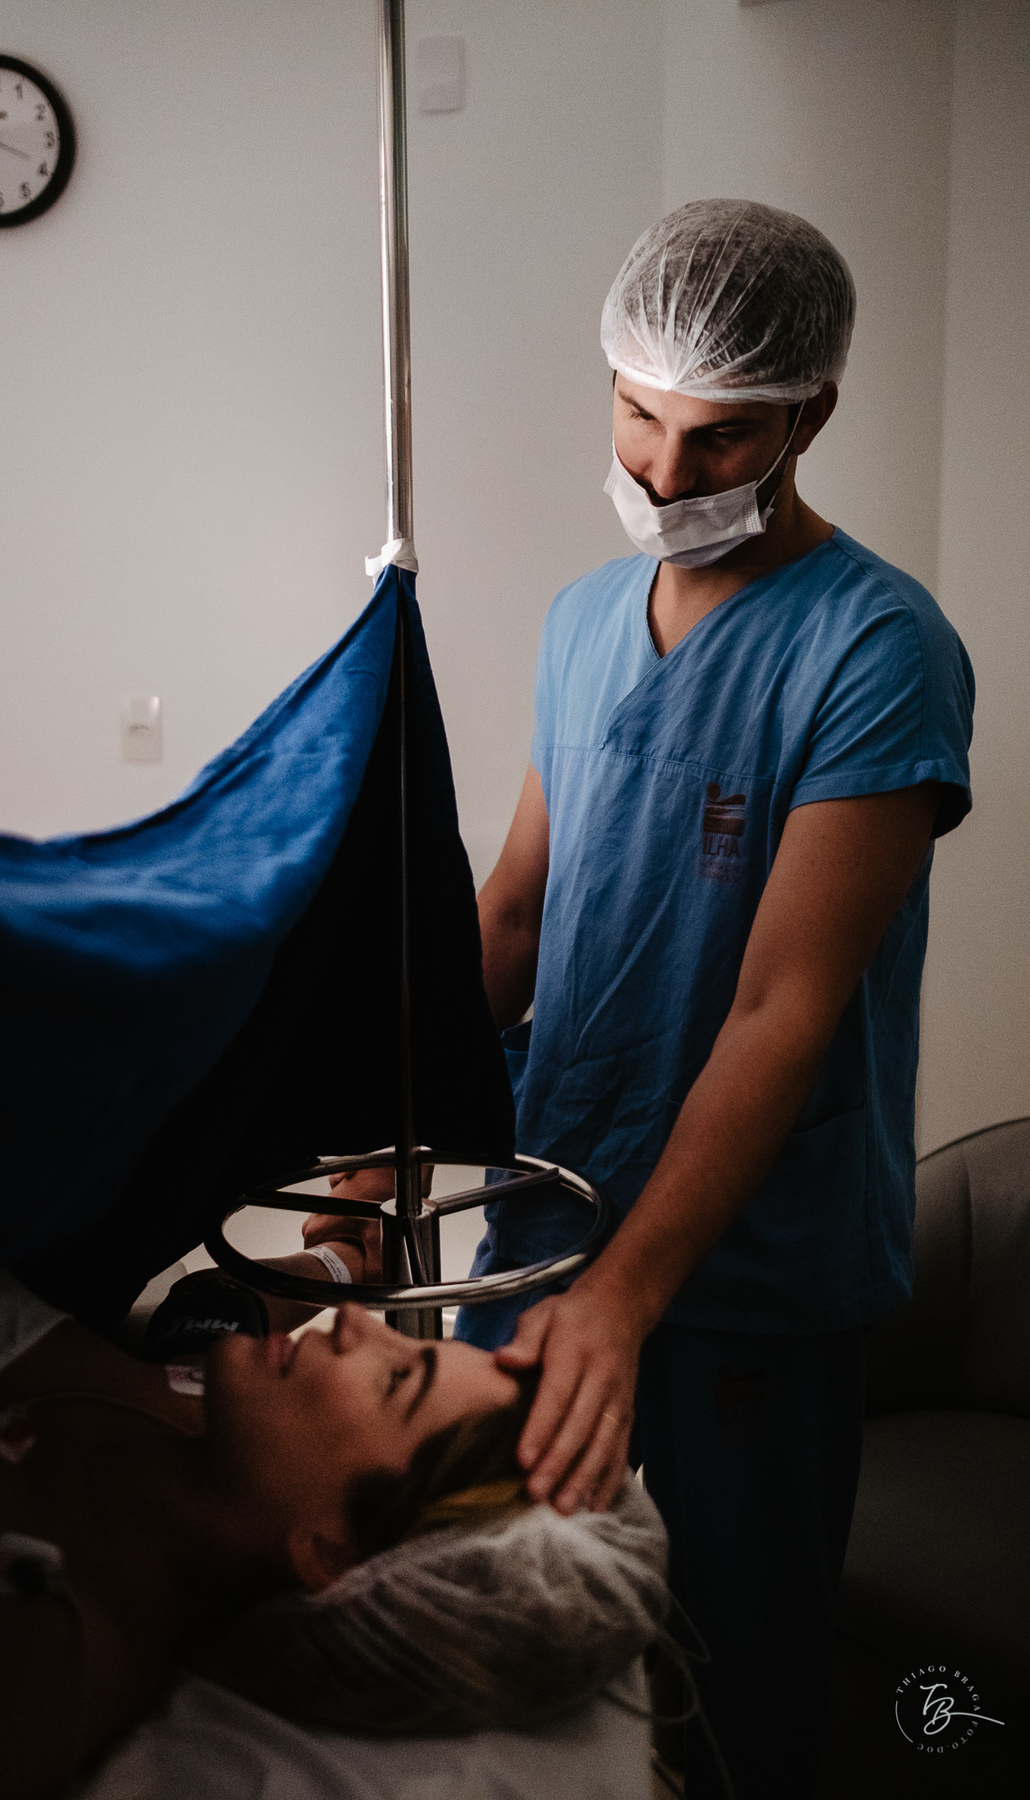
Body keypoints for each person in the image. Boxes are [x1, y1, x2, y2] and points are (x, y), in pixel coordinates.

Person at [313, 199, 973, 1799]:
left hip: (742, 1274)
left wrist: (623, 1295)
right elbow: (517, 916)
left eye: (721, 435)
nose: (664, 476)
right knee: (519, 1652)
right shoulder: (583, 621)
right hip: (540, 1217)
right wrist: (374, 1153)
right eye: (638, 415)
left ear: (811, 413)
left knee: (728, 1691)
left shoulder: (878, 650)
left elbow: (783, 1007)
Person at [0, 1252, 668, 1798]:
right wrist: (336, 1257)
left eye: (394, 1382)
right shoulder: (211, 1402)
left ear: (333, 1553)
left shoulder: (45, 1653)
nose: (357, 1322)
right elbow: (204, 1308)